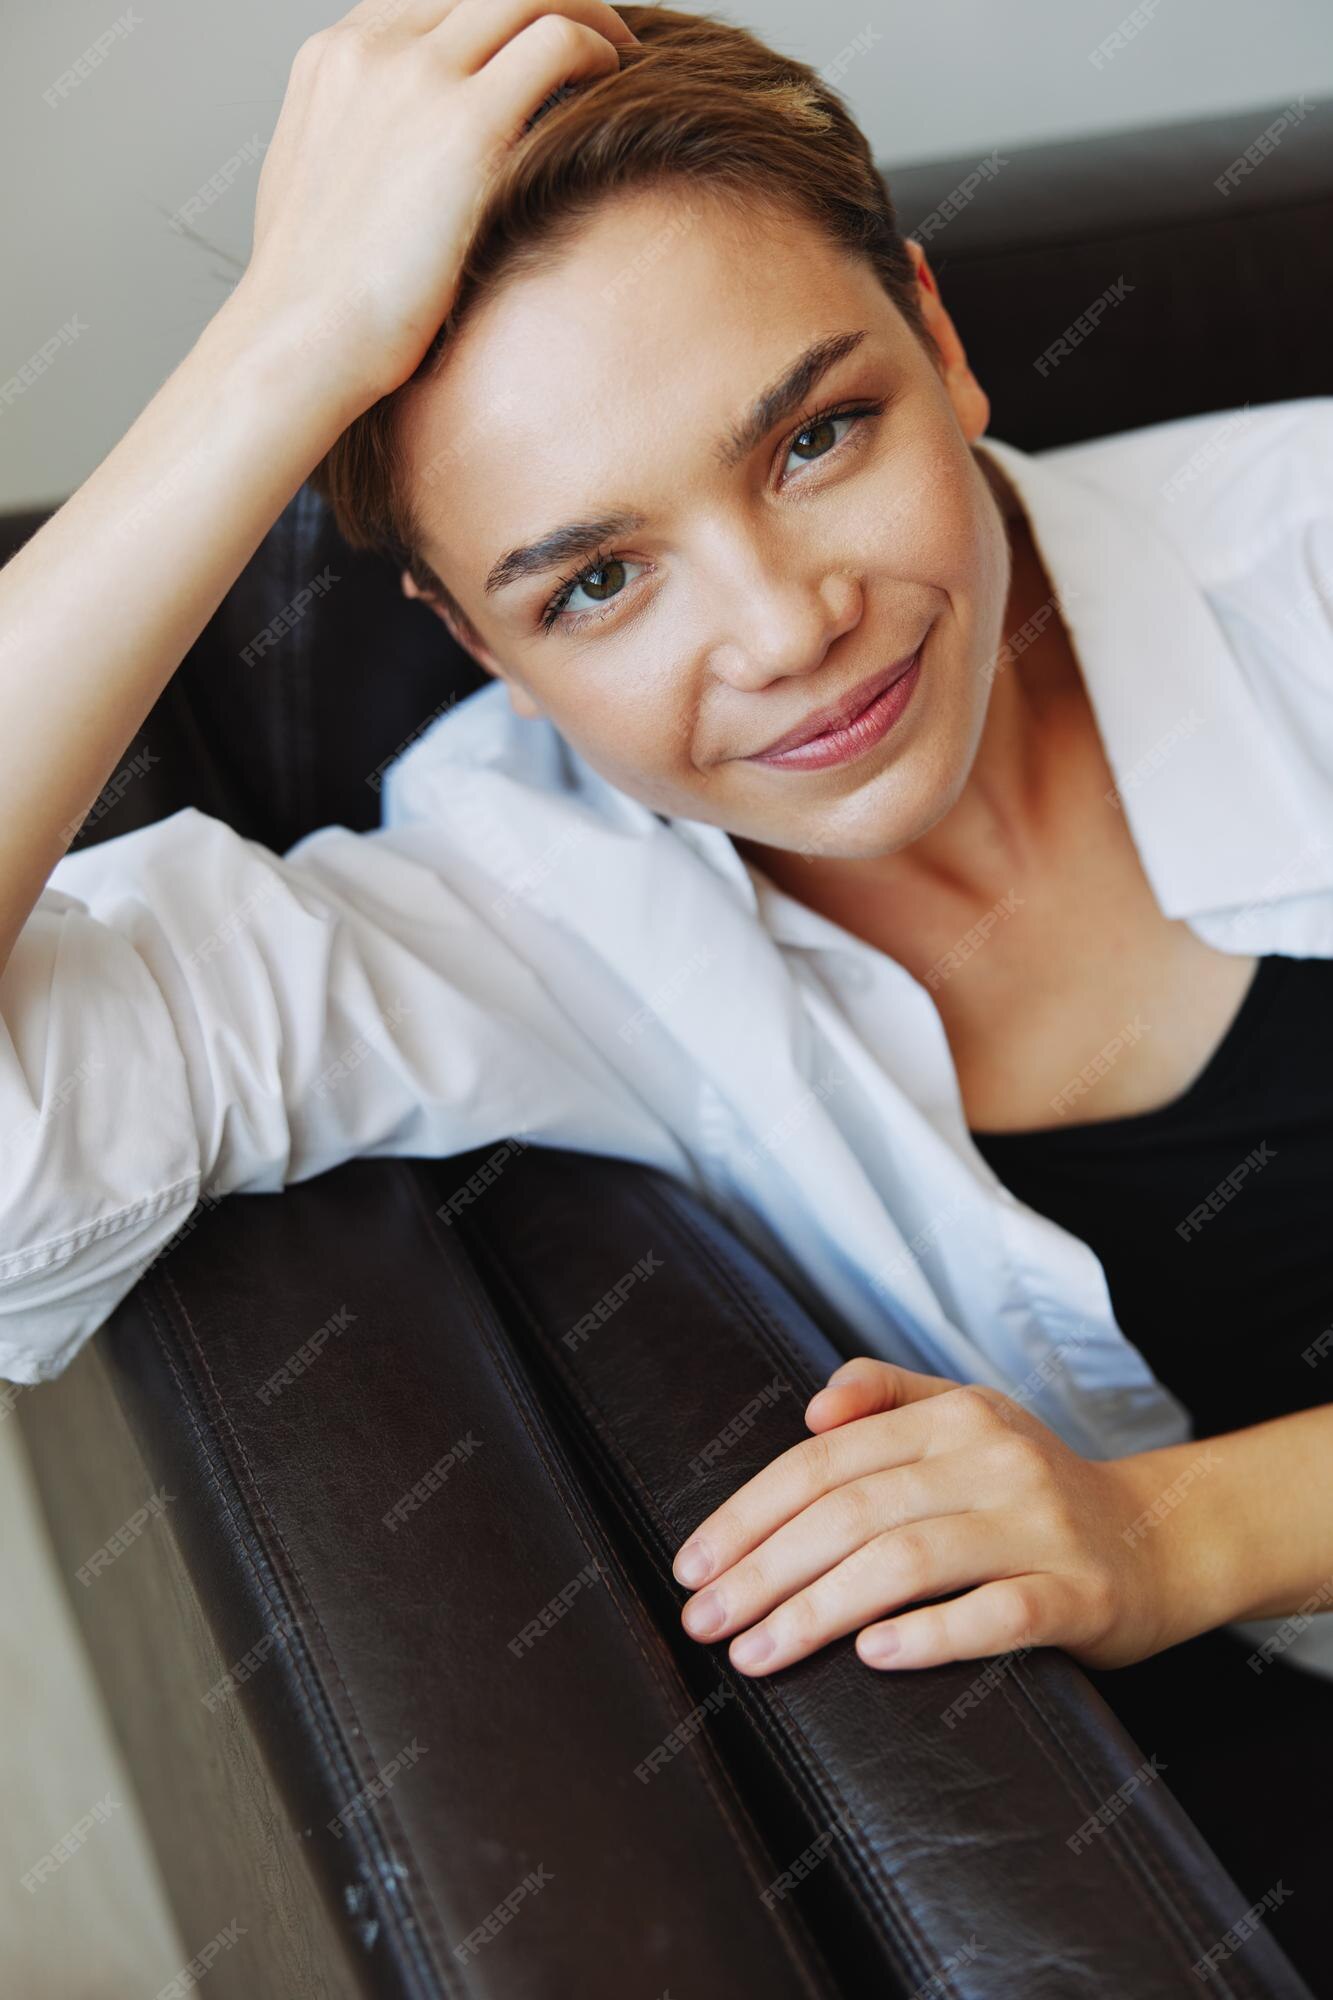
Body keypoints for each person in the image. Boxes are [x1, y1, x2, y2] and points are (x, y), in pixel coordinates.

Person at [1, 2, 1330, 1972]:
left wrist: (1173, 1533)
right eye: (592, 580)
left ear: (941, 342)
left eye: (815, 437)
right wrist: (278, 352)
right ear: (467, 632)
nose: (789, 630)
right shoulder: (528, 915)